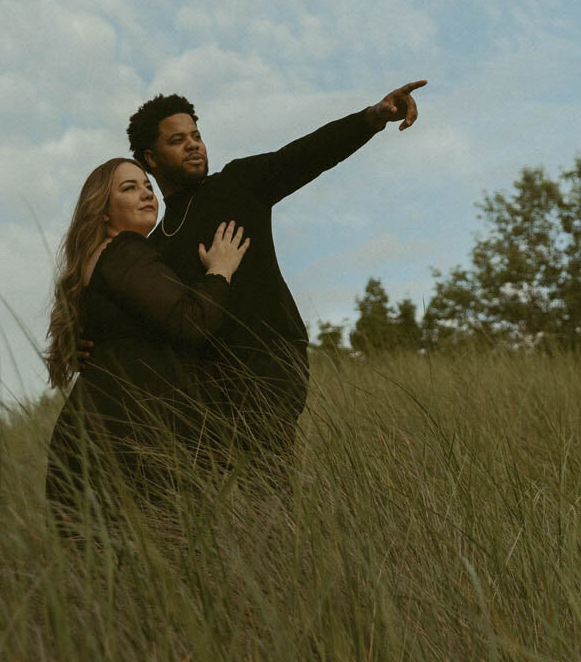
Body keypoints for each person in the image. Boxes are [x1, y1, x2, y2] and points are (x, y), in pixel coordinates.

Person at [126, 81, 426, 470]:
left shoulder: (236, 185)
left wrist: (372, 117)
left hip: (269, 365)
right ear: (150, 158)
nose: (194, 145)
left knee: (265, 487)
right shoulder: (158, 245)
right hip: (206, 389)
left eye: (196, 136)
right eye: (178, 140)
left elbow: (304, 155)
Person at [44, 157, 248, 536]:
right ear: (102, 210)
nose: (146, 193)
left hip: (89, 440)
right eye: (129, 187)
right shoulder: (124, 251)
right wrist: (220, 270)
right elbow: (192, 323)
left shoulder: (97, 261)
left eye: (148, 186)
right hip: (130, 442)